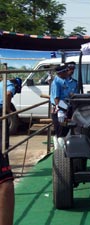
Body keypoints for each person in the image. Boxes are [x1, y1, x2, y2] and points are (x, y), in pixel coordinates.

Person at [0, 77, 22, 225]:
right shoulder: (9, 84)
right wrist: (8, 110)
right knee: (5, 182)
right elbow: (8, 94)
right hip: (0, 110)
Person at [50, 63, 78, 142]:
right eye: (65, 71)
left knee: (66, 129)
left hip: (66, 107)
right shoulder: (56, 82)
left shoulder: (64, 81)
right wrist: (60, 110)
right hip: (59, 109)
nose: (67, 72)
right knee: (60, 131)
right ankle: (59, 150)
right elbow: (56, 99)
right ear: (60, 73)